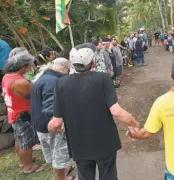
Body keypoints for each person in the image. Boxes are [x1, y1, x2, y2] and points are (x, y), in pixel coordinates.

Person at [48, 46, 139, 180]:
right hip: (105, 142)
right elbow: (116, 111)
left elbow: (56, 123)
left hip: (79, 143)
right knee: (108, 175)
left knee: (84, 176)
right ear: (92, 62)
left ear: (73, 64)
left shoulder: (61, 83)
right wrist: (134, 123)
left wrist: (51, 128)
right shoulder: (103, 78)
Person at [2, 51, 47, 174]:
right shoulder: (20, 82)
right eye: (29, 65)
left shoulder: (7, 76)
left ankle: (24, 161)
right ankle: (29, 167)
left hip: (14, 112)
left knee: (19, 139)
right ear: (23, 67)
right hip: (23, 114)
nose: (31, 68)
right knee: (26, 142)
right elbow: (35, 97)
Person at [30, 58, 73, 180]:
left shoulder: (42, 76)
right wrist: (56, 123)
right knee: (58, 156)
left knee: (55, 155)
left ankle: (62, 175)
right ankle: (61, 178)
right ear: (64, 68)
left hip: (40, 124)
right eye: (68, 71)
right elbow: (51, 106)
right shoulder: (53, 82)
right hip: (51, 126)